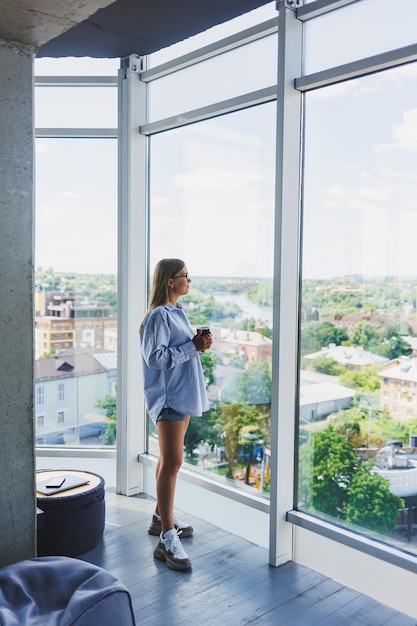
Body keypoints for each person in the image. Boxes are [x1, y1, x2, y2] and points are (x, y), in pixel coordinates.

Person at [139, 258, 212, 570]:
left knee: (167, 460)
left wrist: (197, 345)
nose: (189, 281)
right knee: (173, 462)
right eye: (185, 276)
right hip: (168, 399)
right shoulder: (158, 317)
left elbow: (180, 352)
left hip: (181, 397)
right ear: (170, 281)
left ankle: (160, 517)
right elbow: (155, 359)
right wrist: (192, 347)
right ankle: (167, 538)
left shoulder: (176, 314)